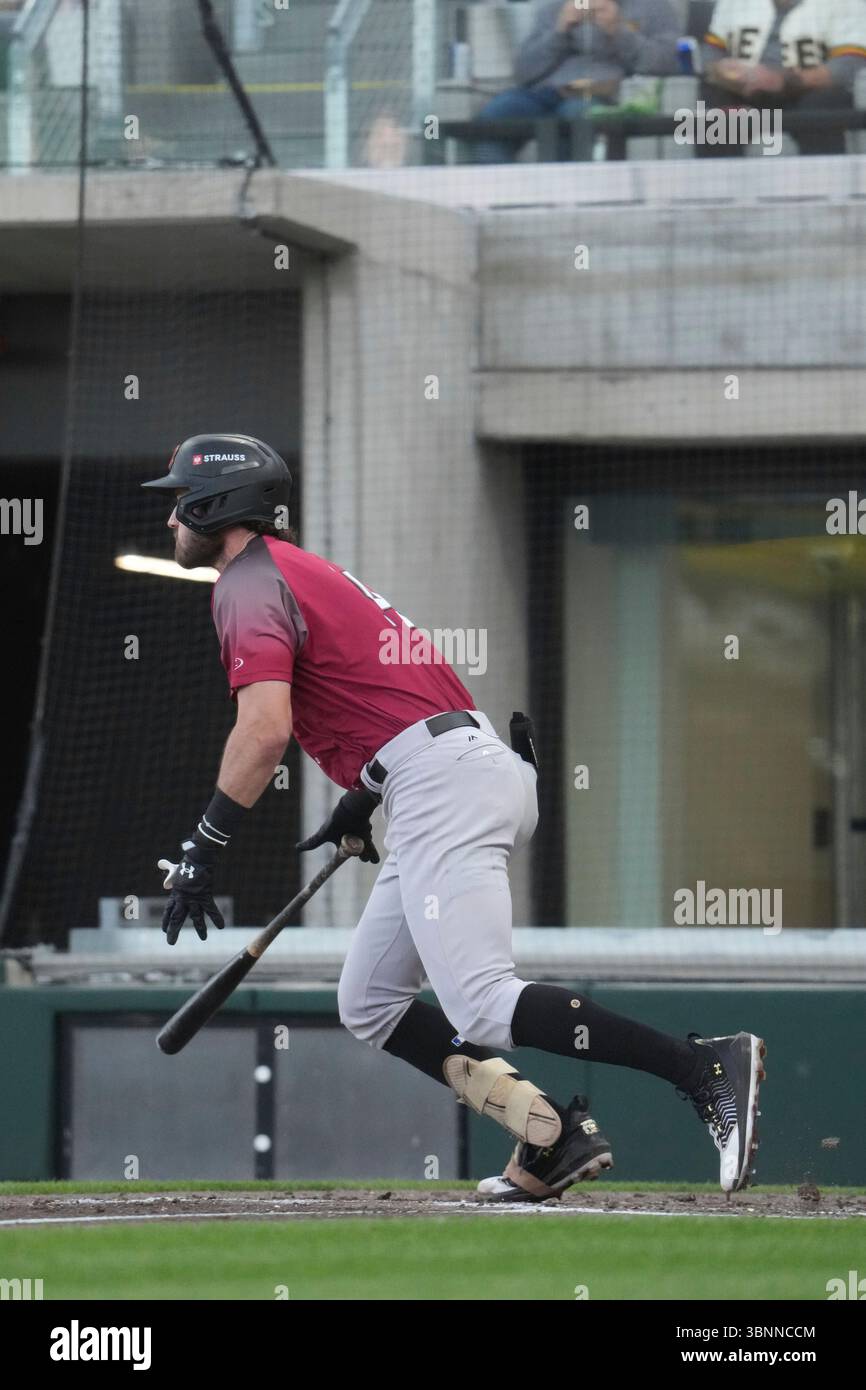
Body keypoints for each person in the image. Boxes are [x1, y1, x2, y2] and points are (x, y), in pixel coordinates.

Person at [142, 434, 766, 1202]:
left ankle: (700, 1066)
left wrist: (204, 846)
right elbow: (383, 698)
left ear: (215, 507)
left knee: (483, 1003)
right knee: (368, 999)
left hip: (442, 783)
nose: (172, 517)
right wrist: (364, 794)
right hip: (441, 773)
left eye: (180, 501)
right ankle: (549, 1135)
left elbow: (263, 730)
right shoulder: (297, 573)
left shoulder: (244, 581)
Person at [472, 0, 681, 163]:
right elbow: (523, 72)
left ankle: (558, 200)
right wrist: (559, 32)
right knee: (496, 113)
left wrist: (619, 32)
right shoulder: (552, 7)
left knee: (571, 117)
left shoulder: (653, 7)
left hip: (602, 94)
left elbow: (667, 63)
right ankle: (496, 198)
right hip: (543, 92)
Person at [701, 0, 866, 156]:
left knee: (824, 102)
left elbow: (849, 65)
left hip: (806, 95)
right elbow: (710, 53)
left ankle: (825, 182)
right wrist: (721, 70)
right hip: (742, 92)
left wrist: (782, 80)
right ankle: (716, 181)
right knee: (713, 99)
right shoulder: (735, 3)